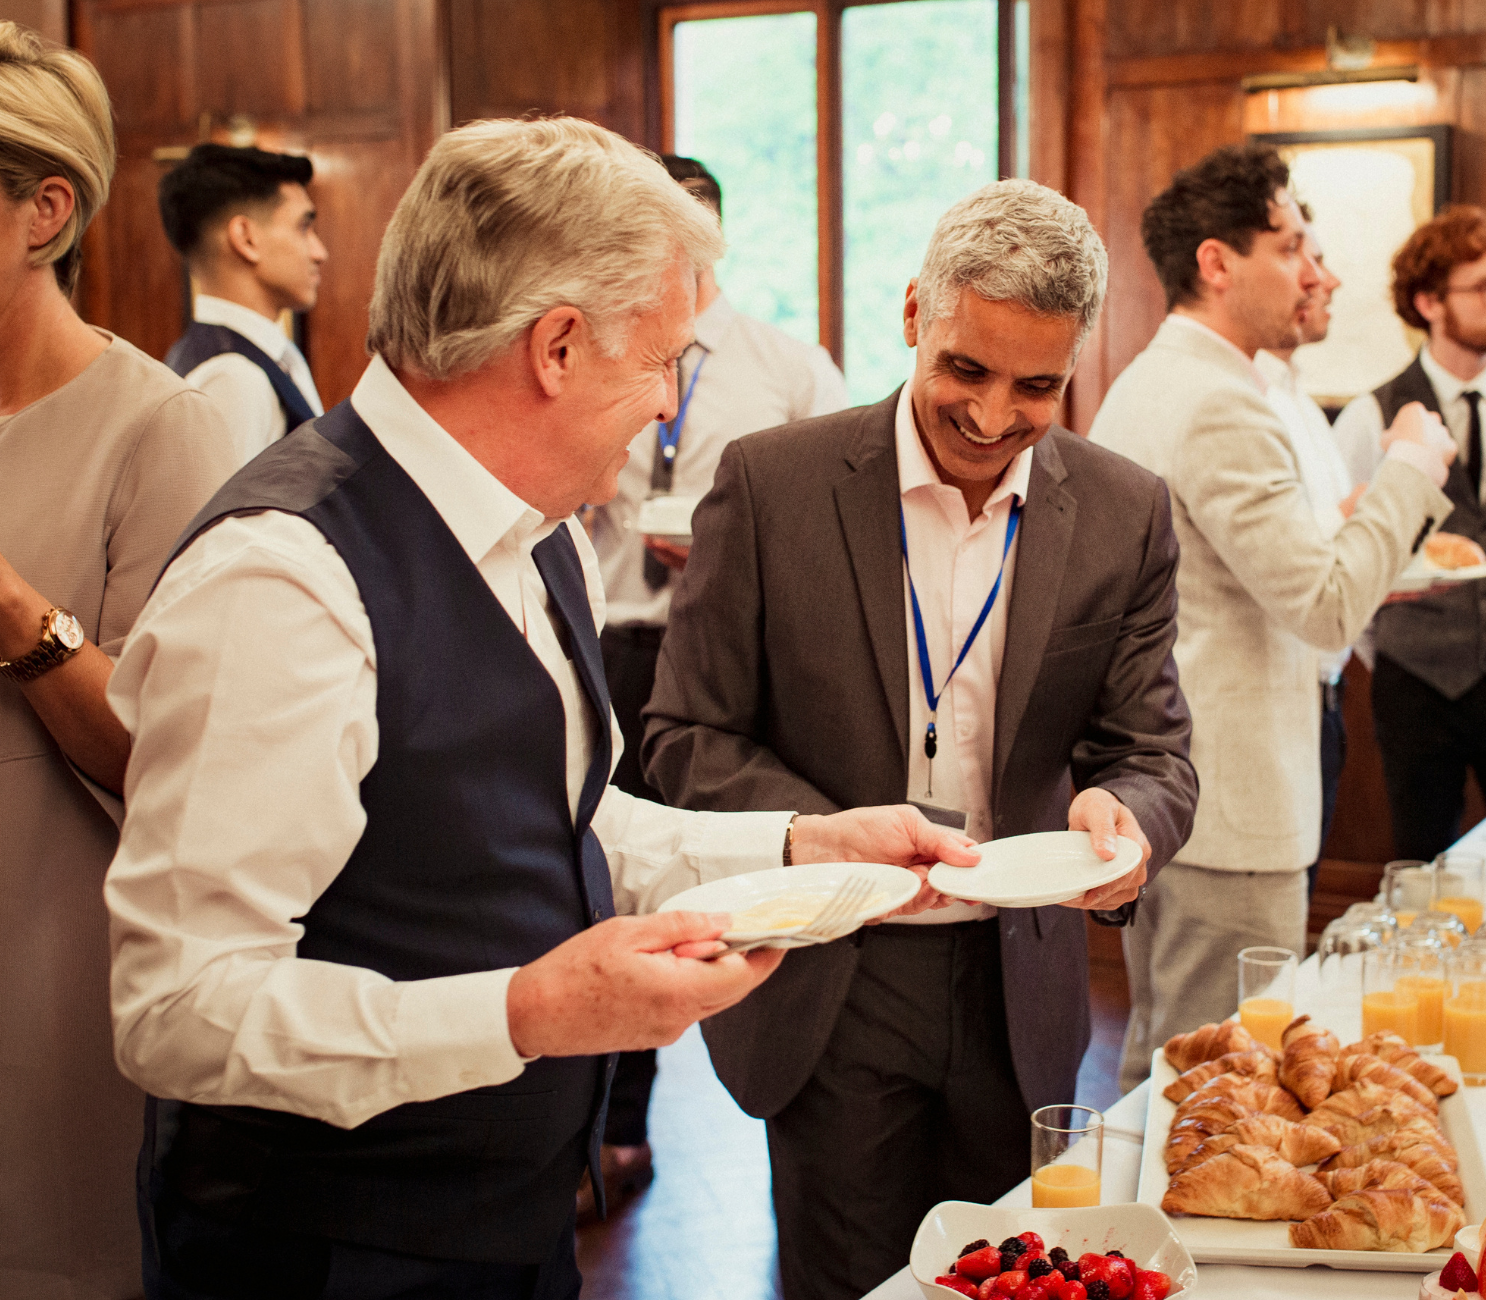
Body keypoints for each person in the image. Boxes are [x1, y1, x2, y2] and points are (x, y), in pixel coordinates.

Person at [105, 116, 977, 1300]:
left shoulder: (539, 528)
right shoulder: (285, 579)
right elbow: (179, 1008)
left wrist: (798, 843)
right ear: (558, 346)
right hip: (323, 1252)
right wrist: (525, 1011)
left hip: (513, 1219)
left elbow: (560, 815)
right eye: (662, 358)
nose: (669, 404)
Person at [642, 178, 1198, 1300]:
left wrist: (1125, 820)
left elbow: (1156, 754)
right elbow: (679, 737)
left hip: (1019, 988)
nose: (994, 418)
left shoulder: (1128, 511)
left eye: (1036, 386)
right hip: (830, 974)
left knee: (1011, 1282)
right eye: (966, 370)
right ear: (913, 315)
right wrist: (818, 834)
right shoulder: (769, 484)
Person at [1090, 144, 1453, 1091]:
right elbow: (1328, 606)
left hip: (1171, 785)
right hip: (1230, 795)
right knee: (1224, 1081)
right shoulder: (1216, 402)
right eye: (1290, 245)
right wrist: (1411, 466)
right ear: (1217, 262)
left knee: (1162, 1060)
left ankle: (1122, 1238)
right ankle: (1164, 1244)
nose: (1312, 270)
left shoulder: (1153, 380)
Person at [0, 23, 238, 1300]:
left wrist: (14, 612)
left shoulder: (161, 429)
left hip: (52, 982)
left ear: (44, 210)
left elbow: (175, 763)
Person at [585, 153, 850, 1214]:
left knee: (684, 867)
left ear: (715, 239)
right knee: (597, 861)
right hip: (607, 627)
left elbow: (838, 517)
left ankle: (738, 1055)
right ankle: (610, 1121)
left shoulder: (786, 363)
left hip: (722, 651)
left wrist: (729, 550)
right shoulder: (603, 351)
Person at [1334, 204, 1486, 860]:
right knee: (1423, 868)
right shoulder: (1368, 415)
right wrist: (1391, 651)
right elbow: (1343, 548)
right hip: (1415, 684)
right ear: (1429, 301)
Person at [1252, 223, 1356, 901]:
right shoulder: (1245, 400)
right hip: (1270, 703)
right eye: (1299, 255)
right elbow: (1296, 566)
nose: (1325, 278)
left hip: (1323, 694)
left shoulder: (1302, 403)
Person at [158, 142, 328, 459]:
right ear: (246, 238)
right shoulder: (234, 379)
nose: (320, 252)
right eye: (303, 227)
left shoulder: (261, 357)